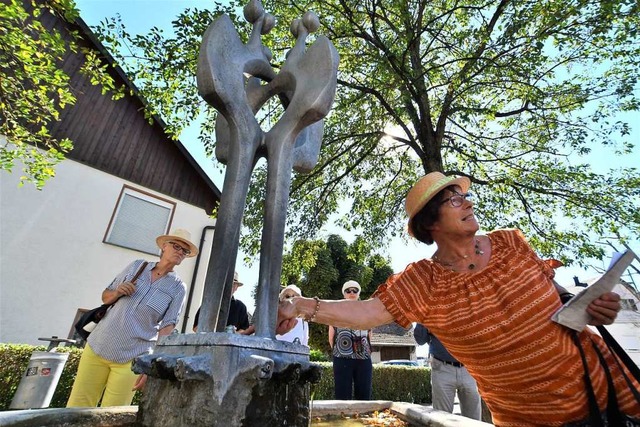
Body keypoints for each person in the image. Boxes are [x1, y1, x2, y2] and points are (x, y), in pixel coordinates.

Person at [277, 172, 640, 426]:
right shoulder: (423, 280)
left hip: (609, 390)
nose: (466, 202)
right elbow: (367, 312)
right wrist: (301, 304)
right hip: (530, 417)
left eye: (465, 196)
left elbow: (555, 293)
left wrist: (589, 305)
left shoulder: (511, 242)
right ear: (430, 221)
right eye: (454, 199)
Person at [67, 228, 195, 407]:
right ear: (164, 246)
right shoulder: (137, 266)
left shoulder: (178, 287)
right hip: (98, 346)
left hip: (132, 358)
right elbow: (105, 297)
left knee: (112, 417)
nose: (180, 252)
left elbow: (167, 327)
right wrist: (118, 291)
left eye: (185, 250)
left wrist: (152, 364)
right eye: (176, 246)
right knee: (77, 409)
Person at [414, 323, 481, 420]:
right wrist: (425, 324)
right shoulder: (429, 308)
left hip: (470, 369)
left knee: (474, 421)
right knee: (441, 419)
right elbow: (420, 339)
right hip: (442, 368)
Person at [328, 280, 373, 400]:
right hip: (341, 358)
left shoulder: (367, 312)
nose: (351, 292)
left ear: (359, 294)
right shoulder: (335, 312)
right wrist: (341, 351)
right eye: (348, 291)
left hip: (363, 359)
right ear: (344, 294)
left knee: (364, 396)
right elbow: (331, 338)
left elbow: (369, 335)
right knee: (342, 396)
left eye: (355, 290)